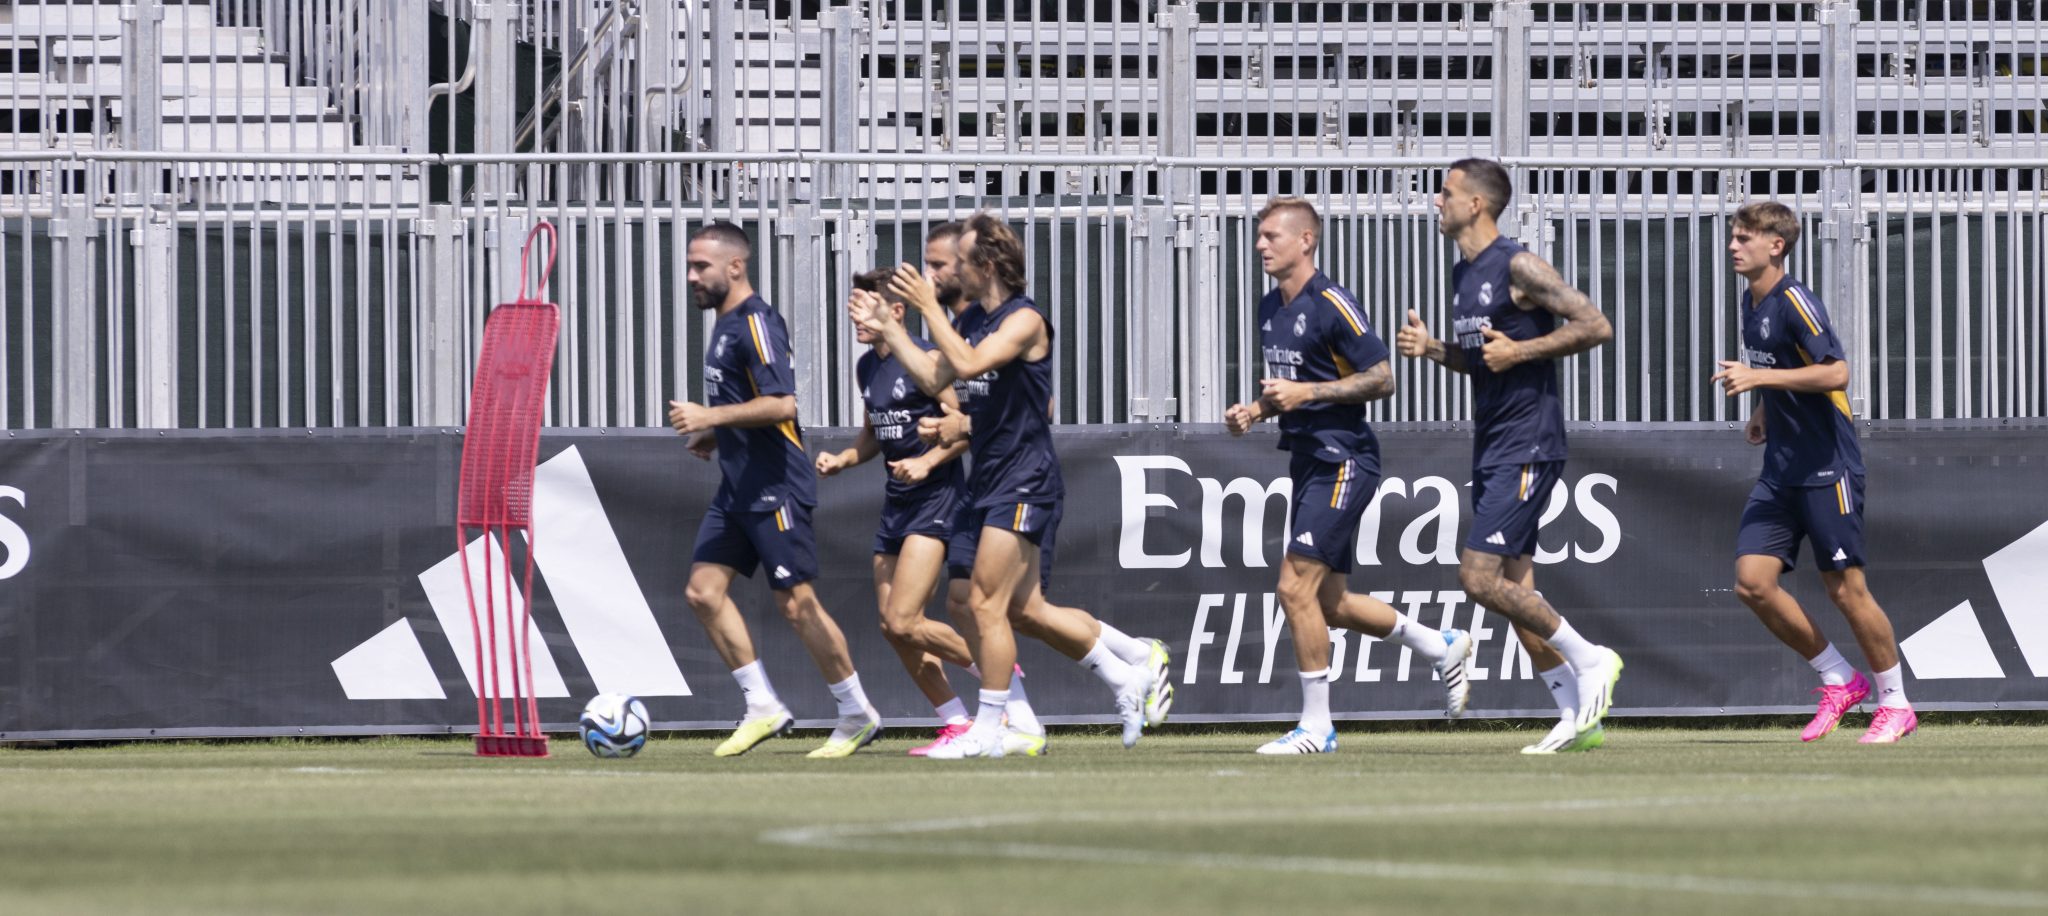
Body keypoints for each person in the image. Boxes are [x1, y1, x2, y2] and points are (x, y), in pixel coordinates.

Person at [853, 213, 1162, 758]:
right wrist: (895, 328)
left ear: (985, 266)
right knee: (1006, 609)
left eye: (945, 264)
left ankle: (994, 729)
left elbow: (970, 366)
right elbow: (933, 378)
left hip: (1023, 477)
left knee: (985, 603)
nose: (933, 273)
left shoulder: (1023, 320)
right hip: (986, 479)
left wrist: (923, 309)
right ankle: (1127, 671)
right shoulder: (971, 324)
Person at [1223, 197, 1475, 755]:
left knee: (1294, 587)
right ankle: (1441, 646)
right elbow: (1293, 385)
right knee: (1329, 602)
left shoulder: (1333, 302)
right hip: (1307, 458)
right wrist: (1256, 411)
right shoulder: (1271, 308)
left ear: (1306, 240)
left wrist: (1305, 394)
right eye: (1259, 236)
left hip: (1344, 460)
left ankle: (1317, 727)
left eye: (1271, 236)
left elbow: (1382, 378)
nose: (1261, 245)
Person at [1395, 159, 1624, 755]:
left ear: (1476, 204)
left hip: (1529, 442)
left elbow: (1596, 326)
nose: (1435, 202)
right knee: (1519, 588)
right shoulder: (1462, 274)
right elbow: (1484, 359)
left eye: (1445, 193)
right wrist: (1434, 349)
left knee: (1477, 577)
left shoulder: (1519, 264)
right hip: (1494, 440)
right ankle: (1574, 714)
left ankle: (1591, 658)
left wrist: (1522, 352)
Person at [668, 222, 880, 759]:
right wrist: (717, 434)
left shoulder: (756, 322)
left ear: (734, 267)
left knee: (797, 606)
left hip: (776, 486)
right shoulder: (722, 325)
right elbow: (753, 404)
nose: (691, 276)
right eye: (690, 266)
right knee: (702, 592)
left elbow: (784, 405)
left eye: (701, 267)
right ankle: (763, 706)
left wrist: (711, 414)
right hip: (737, 487)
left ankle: (856, 712)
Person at [1713, 201, 1916, 744]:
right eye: (1733, 236)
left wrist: (1759, 381)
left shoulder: (1795, 300)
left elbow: (1837, 371)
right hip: (1780, 469)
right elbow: (1781, 368)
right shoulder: (1749, 299)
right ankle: (1838, 676)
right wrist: (1763, 410)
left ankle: (1895, 703)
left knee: (1847, 590)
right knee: (1753, 585)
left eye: (1746, 237)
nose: (1734, 245)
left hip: (1829, 467)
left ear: (1776, 245)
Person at [815, 268, 984, 756]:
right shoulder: (867, 367)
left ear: (895, 311)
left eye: (864, 308)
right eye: (851, 310)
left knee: (908, 619)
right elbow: (874, 432)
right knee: (892, 626)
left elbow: (964, 427)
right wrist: (846, 458)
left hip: (938, 498)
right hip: (897, 501)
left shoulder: (929, 360)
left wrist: (929, 460)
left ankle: (1000, 681)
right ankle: (954, 719)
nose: (855, 319)